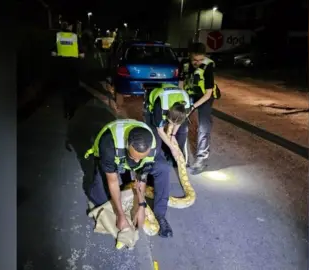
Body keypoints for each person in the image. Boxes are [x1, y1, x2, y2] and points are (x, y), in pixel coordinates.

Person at [84, 119, 174, 238]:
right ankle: (121, 190)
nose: (137, 161)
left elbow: (142, 175)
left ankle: (160, 215)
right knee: (99, 199)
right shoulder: (108, 145)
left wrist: (140, 205)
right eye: (134, 156)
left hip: (127, 157)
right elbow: (112, 180)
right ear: (127, 145)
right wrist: (120, 215)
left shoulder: (154, 145)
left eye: (141, 157)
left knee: (163, 167)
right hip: (112, 159)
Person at [178, 42, 219, 175]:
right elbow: (181, 84)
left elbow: (208, 93)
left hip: (204, 97)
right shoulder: (184, 64)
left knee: (203, 126)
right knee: (181, 124)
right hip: (189, 95)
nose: (198, 62)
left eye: (201, 59)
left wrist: (193, 107)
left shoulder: (207, 68)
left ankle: (201, 159)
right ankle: (181, 157)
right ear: (190, 56)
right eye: (195, 60)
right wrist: (183, 102)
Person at [144, 83, 191, 166]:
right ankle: (154, 161)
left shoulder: (186, 106)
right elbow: (160, 131)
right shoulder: (160, 106)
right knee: (155, 140)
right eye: (170, 122)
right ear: (168, 112)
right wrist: (172, 148)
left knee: (182, 130)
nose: (171, 124)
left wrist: (173, 135)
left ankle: (171, 156)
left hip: (175, 97)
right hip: (154, 103)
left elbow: (178, 122)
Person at [51, 21, 85, 120]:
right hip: (73, 67)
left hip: (62, 67)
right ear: (71, 26)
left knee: (64, 89)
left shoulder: (58, 36)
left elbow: (53, 52)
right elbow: (82, 55)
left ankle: (66, 111)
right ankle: (71, 111)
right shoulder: (75, 37)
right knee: (73, 89)